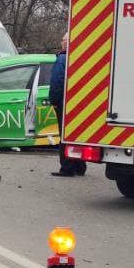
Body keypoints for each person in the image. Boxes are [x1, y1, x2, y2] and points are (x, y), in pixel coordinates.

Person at [50, 33, 86, 177]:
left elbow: (57, 82)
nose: (61, 42)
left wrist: (54, 100)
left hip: (64, 103)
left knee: (64, 136)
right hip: (79, 104)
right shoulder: (80, 58)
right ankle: (80, 166)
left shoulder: (62, 59)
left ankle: (67, 168)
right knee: (76, 135)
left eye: (63, 40)